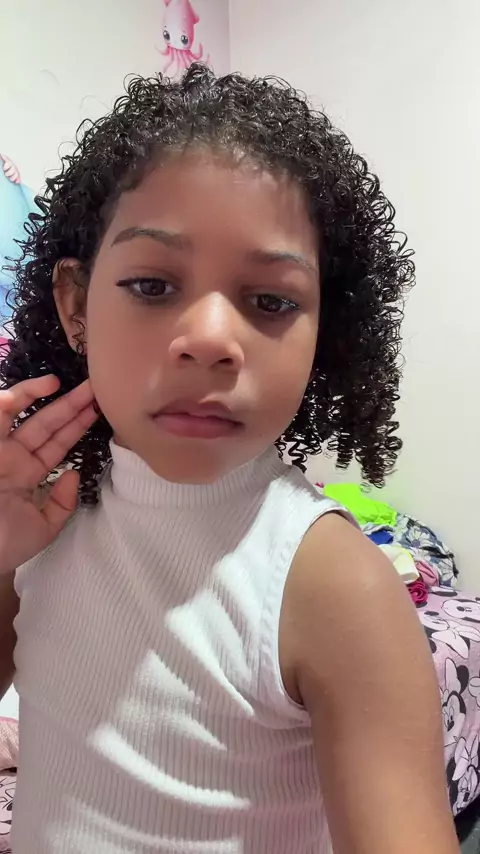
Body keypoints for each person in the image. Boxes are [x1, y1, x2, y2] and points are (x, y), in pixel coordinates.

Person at [0, 65, 459, 854]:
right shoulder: (42, 514)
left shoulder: (332, 584)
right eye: (152, 285)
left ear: (323, 335)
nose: (211, 340)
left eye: (271, 301)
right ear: (75, 306)